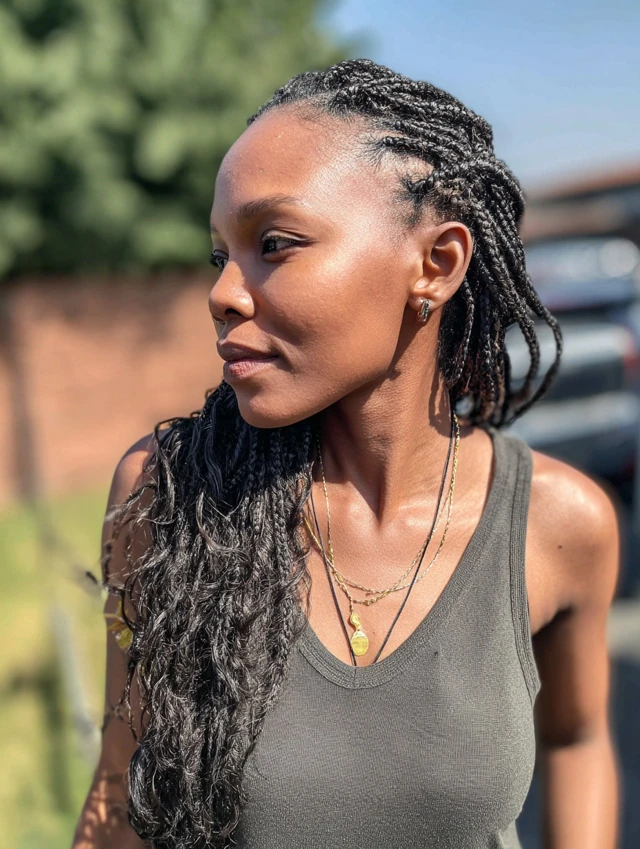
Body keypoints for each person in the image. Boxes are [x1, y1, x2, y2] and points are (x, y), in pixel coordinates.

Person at [72, 58, 621, 849]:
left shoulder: (560, 525)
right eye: (221, 254)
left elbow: (577, 736)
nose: (222, 293)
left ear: (436, 264)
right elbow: (119, 786)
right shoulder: (171, 497)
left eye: (274, 243)